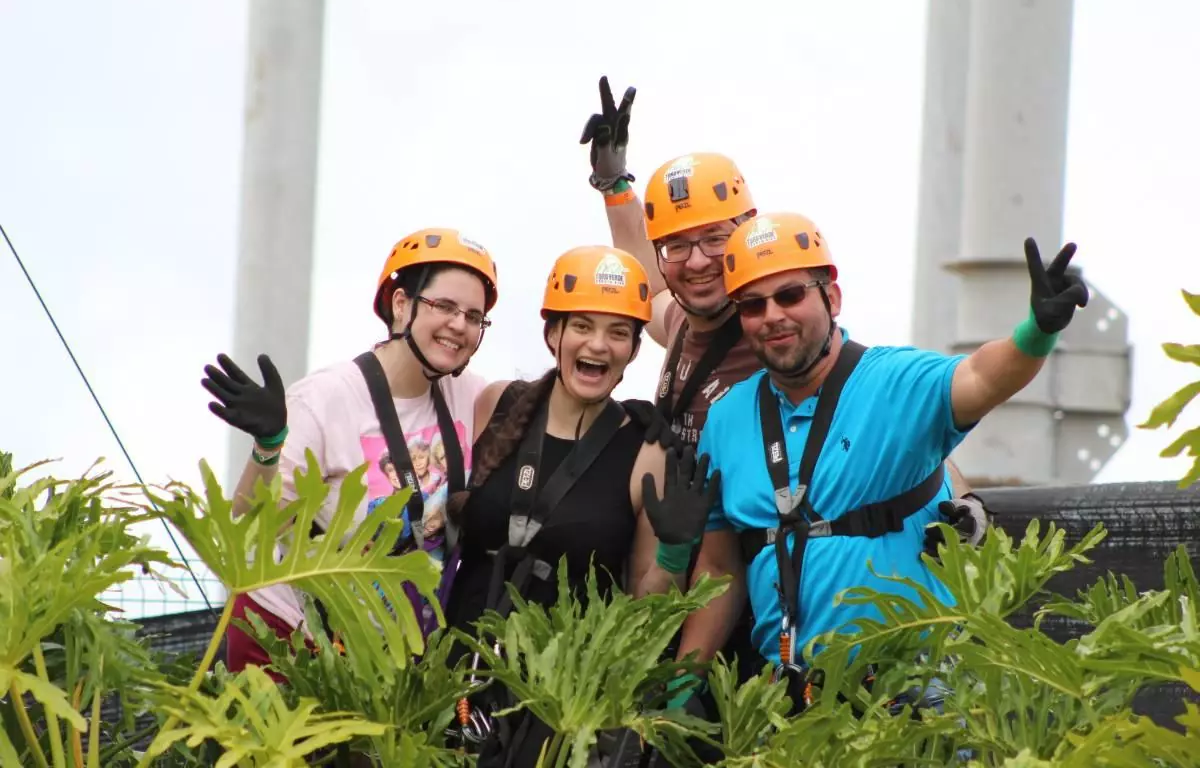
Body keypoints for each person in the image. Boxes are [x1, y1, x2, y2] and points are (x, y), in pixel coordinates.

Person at [579, 77, 988, 690]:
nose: (697, 261)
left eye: (715, 239)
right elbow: (658, 283)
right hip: (674, 576)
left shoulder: (772, 333)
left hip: (752, 591)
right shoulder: (684, 328)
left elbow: (885, 415)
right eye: (680, 245)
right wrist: (616, 190)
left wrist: (964, 497)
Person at [679, 212, 1088, 713]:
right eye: (752, 305)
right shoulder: (726, 421)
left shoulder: (894, 381)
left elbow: (981, 378)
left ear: (831, 296)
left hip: (911, 692)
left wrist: (1037, 330)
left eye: (790, 296)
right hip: (788, 702)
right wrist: (682, 685)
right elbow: (719, 568)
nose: (772, 316)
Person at [442, 245, 719, 765]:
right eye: (583, 326)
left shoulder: (645, 451)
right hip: (454, 681)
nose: (599, 344)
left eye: (618, 332)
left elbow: (644, 607)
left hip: (560, 706)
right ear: (554, 334)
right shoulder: (495, 405)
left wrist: (677, 552)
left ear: (636, 350)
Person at [200, 228, 501, 674]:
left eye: (474, 316)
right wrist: (268, 445)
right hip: (291, 641)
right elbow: (247, 522)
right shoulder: (327, 399)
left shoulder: (471, 397)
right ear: (401, 304)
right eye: (444, 306)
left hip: (388, 656)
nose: (460, 324)